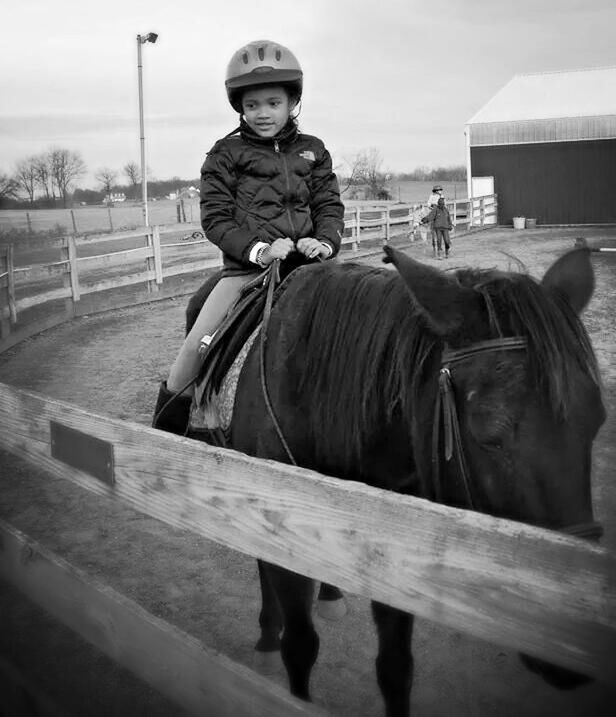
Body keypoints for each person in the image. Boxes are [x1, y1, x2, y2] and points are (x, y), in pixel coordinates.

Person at [152, 39, 345, 435]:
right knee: (196, 343)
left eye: (273, 103)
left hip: (313, 267)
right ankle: (168, 431)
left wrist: (323, 242)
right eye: (252, 105)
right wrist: (260, 251)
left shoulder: (314, 151)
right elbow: (217, 219)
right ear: (239, 106)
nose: (262, 113)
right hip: (247, 270)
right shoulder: (224, 154)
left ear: (292, 101)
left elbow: (329, 205)